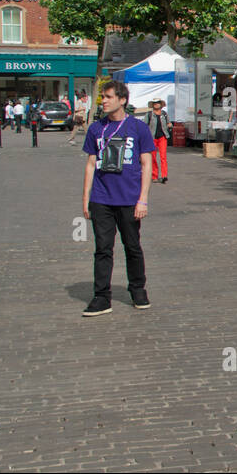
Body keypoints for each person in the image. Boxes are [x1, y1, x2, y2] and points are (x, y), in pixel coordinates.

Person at [81, 81, 155, 317]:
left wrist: (143, 199)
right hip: (102, 199)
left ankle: (138, 290)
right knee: (103, 249)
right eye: (103, 97)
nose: (104, 100)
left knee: (132, 246)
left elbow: (147, 163)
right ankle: (102, 297)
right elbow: (91, 164)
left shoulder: (138, 128)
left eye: (109, 97)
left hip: (129, 199)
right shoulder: (96, 129)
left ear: (122, 100)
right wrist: (86, 198)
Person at [146, 97, 170, 184]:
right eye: (155, 103)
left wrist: (169, 125)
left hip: (162, 137)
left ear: (161, 104)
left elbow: (168, 123)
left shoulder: (164, 114)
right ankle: (154, 176)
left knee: (163, 157)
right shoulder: (149, 114)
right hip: (152, 138)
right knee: (153, 157)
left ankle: (164, 175)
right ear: (152, 105)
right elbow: (145, 126)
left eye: (158, 102)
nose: (156, 104)